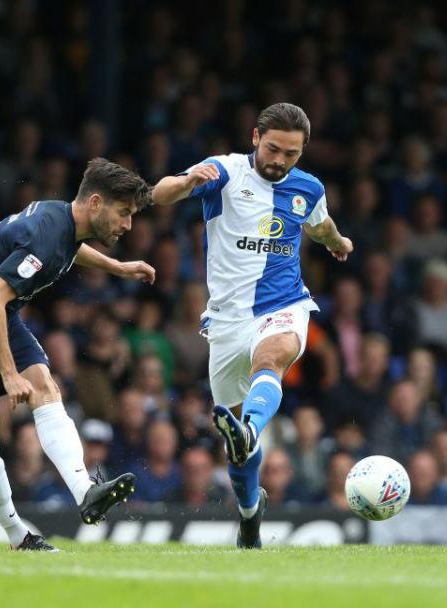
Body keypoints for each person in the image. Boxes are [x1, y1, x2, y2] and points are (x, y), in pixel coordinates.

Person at [0, 157, 154, 551]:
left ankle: (85, 492)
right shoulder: (46, 234)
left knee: (46, 383)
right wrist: (9, 375)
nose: (128, 224)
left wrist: (117, 267)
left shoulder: (63, 221)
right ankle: (18, 536)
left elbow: (69, 249)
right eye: (124, 213)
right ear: (96, 203)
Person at [152, 102, 354, 549]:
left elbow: (319, 226)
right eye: (274, 149)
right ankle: (248, 513)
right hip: (225, 323)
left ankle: (250, 429)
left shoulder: (308, 188)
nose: (280, 161)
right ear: (255, 137)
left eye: (291, 154)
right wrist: (186, 182)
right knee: (237, 453)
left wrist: (337, 242)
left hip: (284, 304)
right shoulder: (223, 172)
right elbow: (160, 193)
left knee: (274, 354)